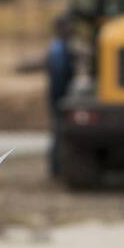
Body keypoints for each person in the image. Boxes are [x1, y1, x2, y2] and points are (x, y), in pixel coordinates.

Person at [46, 15, 75, 177]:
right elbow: (59, 75)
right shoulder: (58, 49)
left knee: (57, 133)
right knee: (58, 133)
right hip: (59, 97)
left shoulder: (58, 47)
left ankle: (56, 167)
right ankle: (56, 168)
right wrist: (61, 98)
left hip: (57, 97)